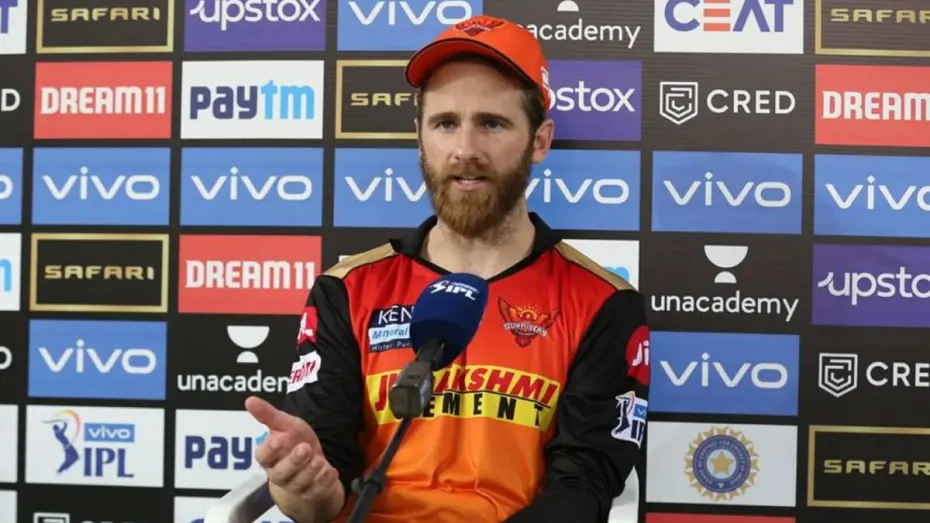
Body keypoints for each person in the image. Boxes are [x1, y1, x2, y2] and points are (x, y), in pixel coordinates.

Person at [244, 14, 650, 523]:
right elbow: (320, 491)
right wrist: (301, 486)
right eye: (445, 123)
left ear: (540, 141)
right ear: (420, 136)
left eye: (492, 123)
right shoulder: (346, 289)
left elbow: (583, 486)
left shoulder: (603, 302)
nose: (465, 150)